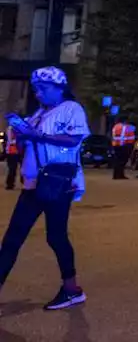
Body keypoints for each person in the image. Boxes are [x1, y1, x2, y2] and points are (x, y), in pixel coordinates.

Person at [0, 67, 89, 310]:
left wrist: (37, 136)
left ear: (60, 88)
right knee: (13, 239)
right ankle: (71, 290)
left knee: (55, 236)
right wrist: (20, 134)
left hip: (58, 183)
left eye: (44, 88)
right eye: (36, 88)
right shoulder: (39, 113)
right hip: (33, 183)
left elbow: (74, 139)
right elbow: (28, 140)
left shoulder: (72, 109)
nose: (38, 93)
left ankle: (71, 290)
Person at [110, 115, 135, 180]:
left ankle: (116, 175)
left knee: (117, 160)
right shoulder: (128, 127)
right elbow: (131, 137)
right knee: (123, 161)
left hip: (116, 145)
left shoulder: (115, 126)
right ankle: (120, 174)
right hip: (125, 145)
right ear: (125, 120)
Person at [4, 122, 19, 190]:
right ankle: (10, 184)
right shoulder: (11, 129)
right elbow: (11, 140)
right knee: (12, 169)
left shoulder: (14, 128)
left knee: (13, 169)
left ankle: (10, 183)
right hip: (12, 152)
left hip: (15, 151)